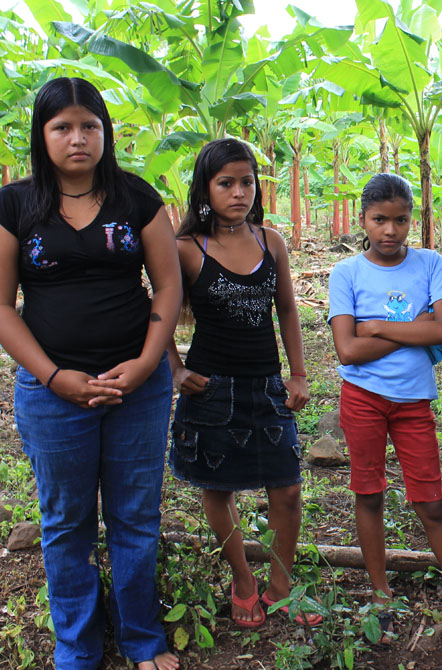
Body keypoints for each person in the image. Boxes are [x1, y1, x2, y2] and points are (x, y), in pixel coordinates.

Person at [0, 77, 181, 670]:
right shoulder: (13, 206)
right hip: (53, 395)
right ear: (42, 136)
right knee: (66, 521)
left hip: (137, 390)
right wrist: (52, 375)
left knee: (136, 515)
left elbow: (167, 284)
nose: (77, 138)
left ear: (105, 131)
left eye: (89, 125)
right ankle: (78, 647)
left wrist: (145, 365)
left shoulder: (136, 198)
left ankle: (143, 638)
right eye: (62, 127)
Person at [327, 173, 442, 656]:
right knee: (370, 493)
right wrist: (414, 326)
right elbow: (346, 349)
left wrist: (377, 325)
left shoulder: (428, 265)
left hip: (413, 404)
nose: (390, 230)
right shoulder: (347, 274)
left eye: (400, 220)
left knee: (431, 503)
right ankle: (380, 595)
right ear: (363, 219)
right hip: (361, 400)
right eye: (380, 220)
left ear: (411, 220)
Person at [167, 138, 319, 630]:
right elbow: (157, 312)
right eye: (226, 183)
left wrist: (297, 373)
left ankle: (280, 585)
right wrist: (173, 368)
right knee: (218, 489)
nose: (238, 193)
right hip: (212, 390)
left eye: (247, 182)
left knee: (289, 490)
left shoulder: (270, 241)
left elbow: (289, 310)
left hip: (266, 386)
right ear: (204, 189)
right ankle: (243, 580)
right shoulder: (187, 249)